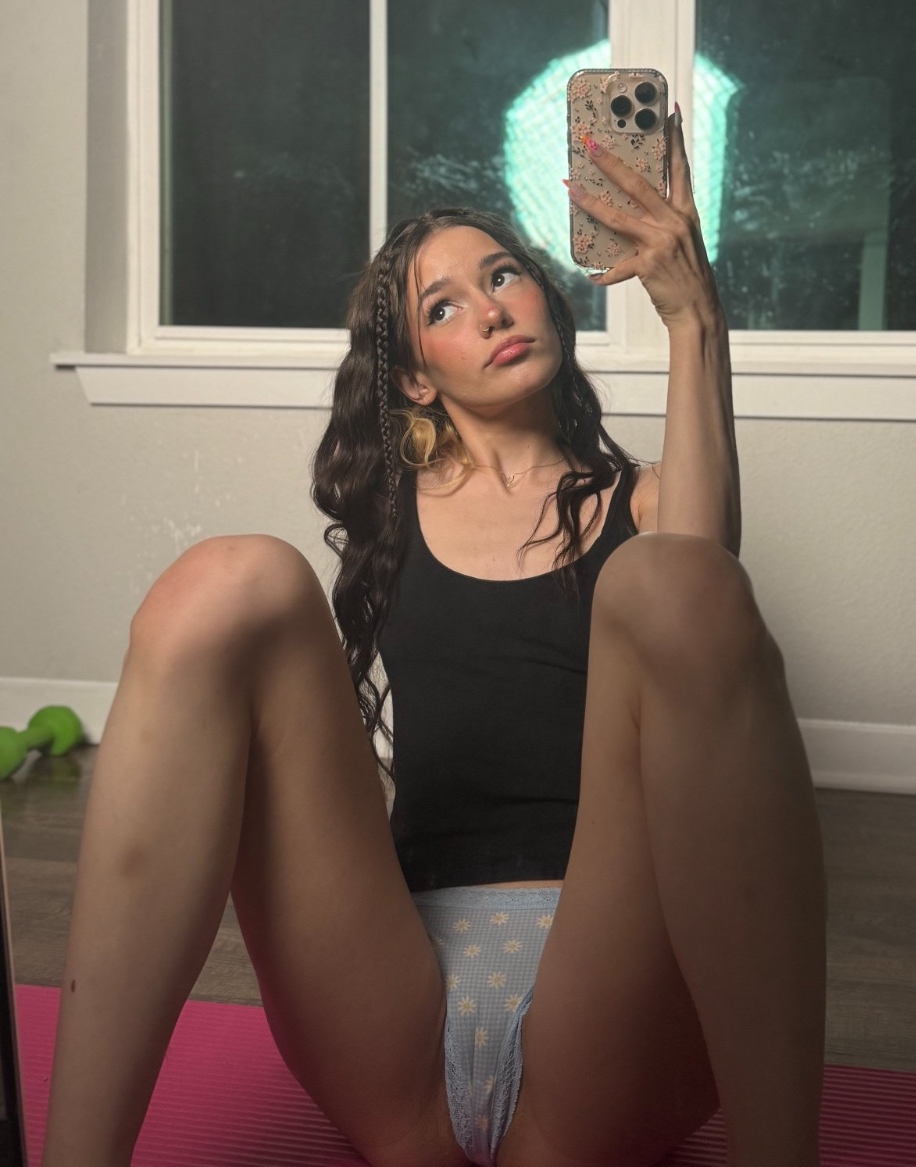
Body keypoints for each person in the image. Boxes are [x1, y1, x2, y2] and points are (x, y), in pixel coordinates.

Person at [41, 113, 826, 1167]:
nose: (492, 309)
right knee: (228, 578)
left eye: (505, 276)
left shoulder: (646, 507)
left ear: (548, 297)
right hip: (395, 1014)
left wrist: (694, 320)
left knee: (674, 582)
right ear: (416, 375)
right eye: (444, 307)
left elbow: (703, 606)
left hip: (606, 1020)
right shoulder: (392, 519)